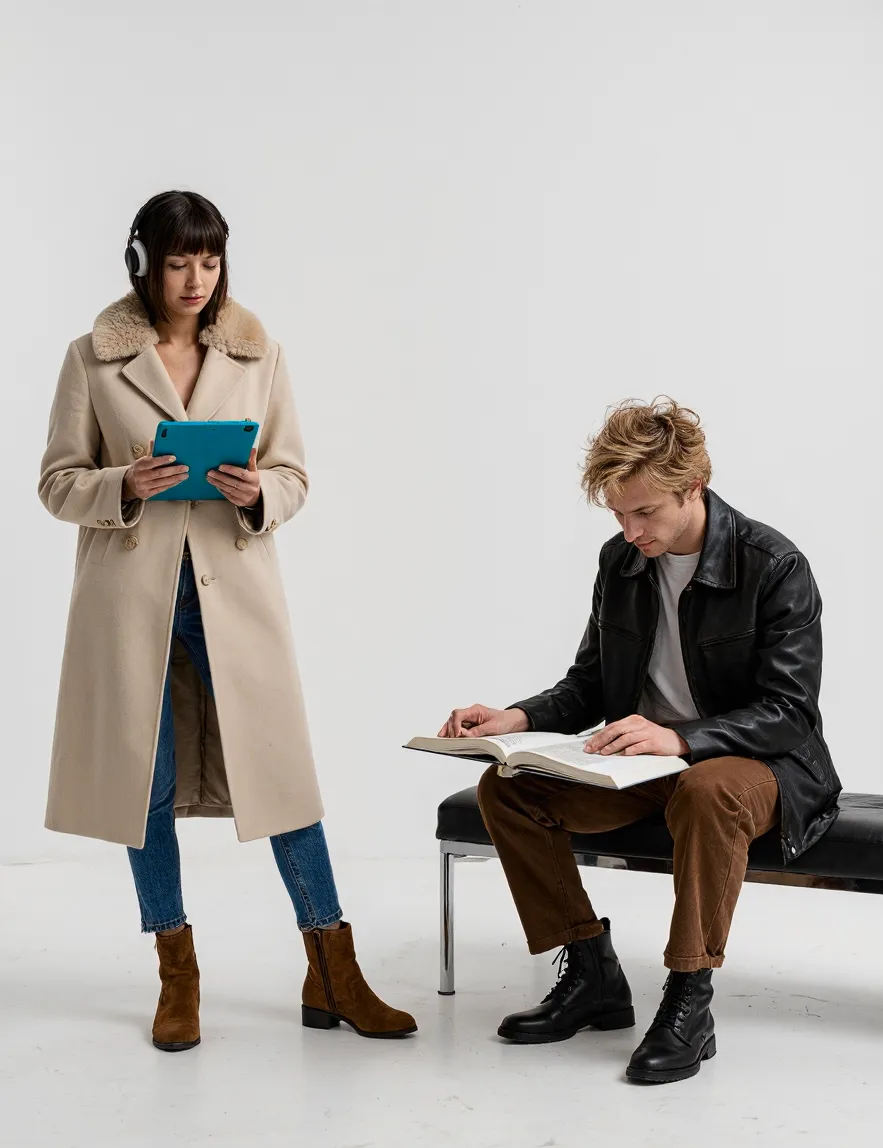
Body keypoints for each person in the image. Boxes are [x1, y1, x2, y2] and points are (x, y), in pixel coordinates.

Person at [39, 190, 416, 1050]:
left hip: (232, 596)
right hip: (130, 602)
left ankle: (333, 967)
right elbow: (58, 481)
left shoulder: (259, 353)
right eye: (179, 263)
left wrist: (258, 494)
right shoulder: (91, 360)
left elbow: (294, 472)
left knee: (281, 777)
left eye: (209, 263)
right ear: (144, 263)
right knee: (148, 786)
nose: (196, 281)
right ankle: (178, 973)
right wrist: (121, 486)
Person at [439, 398, 839, 1083]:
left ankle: (689, 997)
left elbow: (789, 711)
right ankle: (592, 973)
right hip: (644, 765)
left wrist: (681, 739)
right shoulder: (621, 563)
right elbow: (590, 685)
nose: (630, 530)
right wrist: (518, 717)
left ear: (693, 489)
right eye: (618, 515)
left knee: (708, 790)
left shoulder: (774, 565)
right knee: (506, 790)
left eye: (644, 512)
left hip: (758, 765)